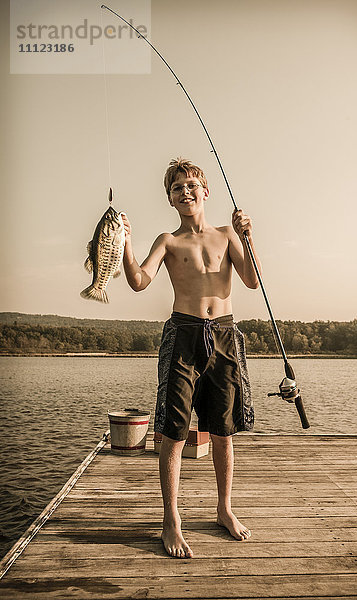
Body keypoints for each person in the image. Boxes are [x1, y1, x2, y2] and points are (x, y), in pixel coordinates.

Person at [122, 158, 261, 559]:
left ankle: (224, 508)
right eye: (177, 188)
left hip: (224, 335)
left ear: (206, 191)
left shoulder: (225, 235)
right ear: (170, 198)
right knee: (174, 431)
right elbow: (138, 281)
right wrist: (126, 242)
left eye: (191, 185)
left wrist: (248, 236)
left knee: (223, 430)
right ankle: (171, 519)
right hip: (182, 334)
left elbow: (253, 280)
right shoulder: (168, 240)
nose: (186, 192)